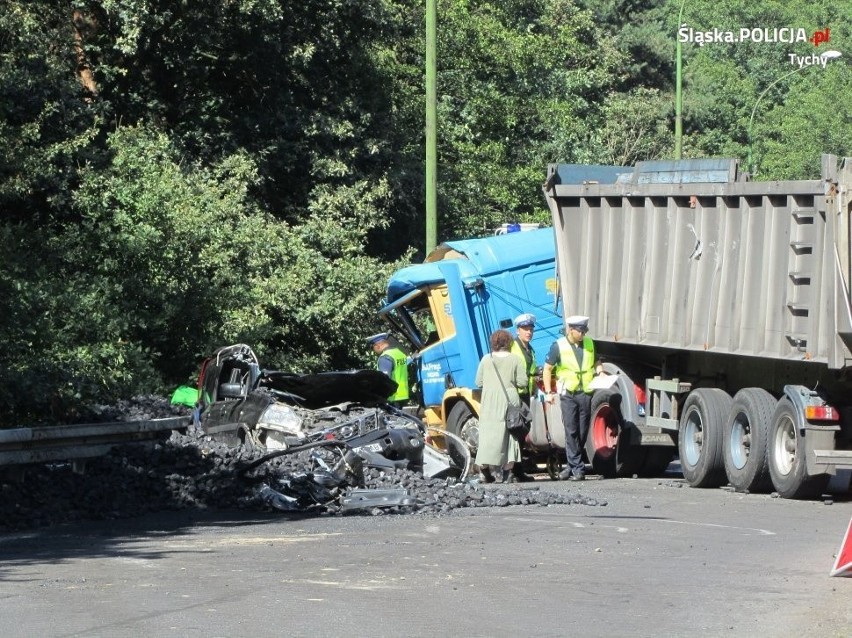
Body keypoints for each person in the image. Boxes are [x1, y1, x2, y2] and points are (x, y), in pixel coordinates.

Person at [542, 315, 604, 481]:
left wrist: (601, 372)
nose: (583, 334)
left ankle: (570, 466)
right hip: (568, 393)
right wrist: (548, 392)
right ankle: (578, 469)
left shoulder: (590, 343)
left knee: (583, 430)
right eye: (580, 331)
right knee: (571, 430)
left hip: (585, 391)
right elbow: (547, 369)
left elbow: (596, 361)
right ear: (571, 329)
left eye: (585, 331)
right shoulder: (559, 346)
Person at [474, 328, 531, 484]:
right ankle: (507, 473)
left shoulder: (486, 359)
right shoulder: (515, 360)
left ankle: (484, 470)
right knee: (510, 435)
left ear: (493, 343)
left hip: (489, 401)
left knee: (488, 435)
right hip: (510, 401)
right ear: (509, 343)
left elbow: (478, 382)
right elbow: (522, 383)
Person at [365, 333, 409, 408]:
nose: (373, 350)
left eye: (373, 347)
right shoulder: (400, 353)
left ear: (378, 346)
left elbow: (384, 381)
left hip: (391, 398)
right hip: (403, 396)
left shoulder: (385, 357)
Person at [510, 313, 537, 402]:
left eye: (531, 330)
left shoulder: (530, 349)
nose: (529, 332)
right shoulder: (511, 347)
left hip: (526, 392)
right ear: (518, 331)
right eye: (525, 329)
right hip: (514, 395)